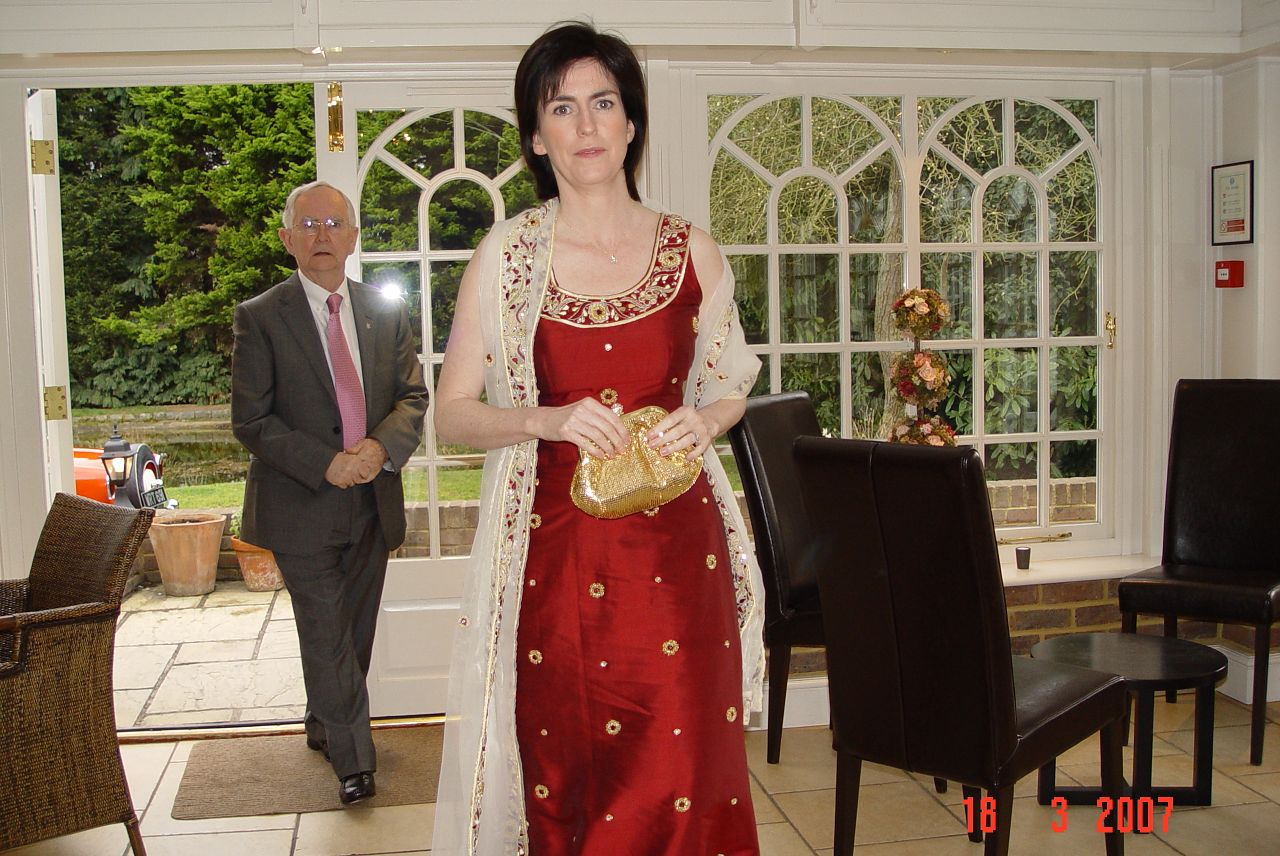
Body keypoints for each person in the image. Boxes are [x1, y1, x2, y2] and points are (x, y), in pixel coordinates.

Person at [431, 22, 765, 855]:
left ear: (632, 122)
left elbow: (731, 384)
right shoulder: (506, 258)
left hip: (680, 563)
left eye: (603, 103)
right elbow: (452, 412)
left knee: (686, 772)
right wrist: (542, 420)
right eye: (562, 107)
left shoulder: (692, 250)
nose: (586, 125)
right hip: (560, 563)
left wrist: (706, 419)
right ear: (536, 138)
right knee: (574, 775)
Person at [231, 180, 428, 806]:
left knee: (354, 630)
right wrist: (327, 464)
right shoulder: (261, 316)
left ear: (353, 237)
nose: (322, 235)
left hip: (372, 499)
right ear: (287, 238)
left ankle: (325, 721)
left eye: (334, 224)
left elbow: (413, 397)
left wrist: (377, 450)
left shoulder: (385, 311)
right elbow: (251, 420)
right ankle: (354, 761)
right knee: (325, 630)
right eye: (309, 224)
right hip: (300, 502)